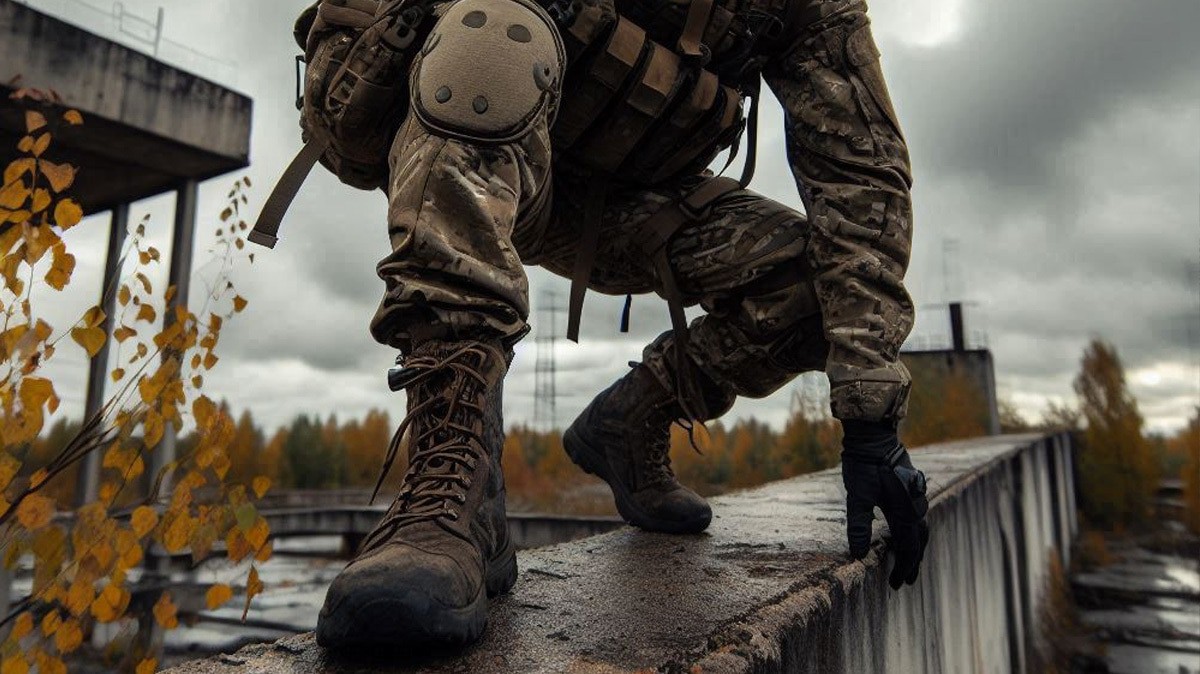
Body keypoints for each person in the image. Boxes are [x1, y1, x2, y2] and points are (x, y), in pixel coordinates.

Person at [293, 0, 930, 650]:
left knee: (826, 293)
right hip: (481, 151)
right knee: (492, 42)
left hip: (637, 208)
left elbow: (859, 174)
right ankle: (452, 488)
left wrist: (872, 421)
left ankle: (632, 420)